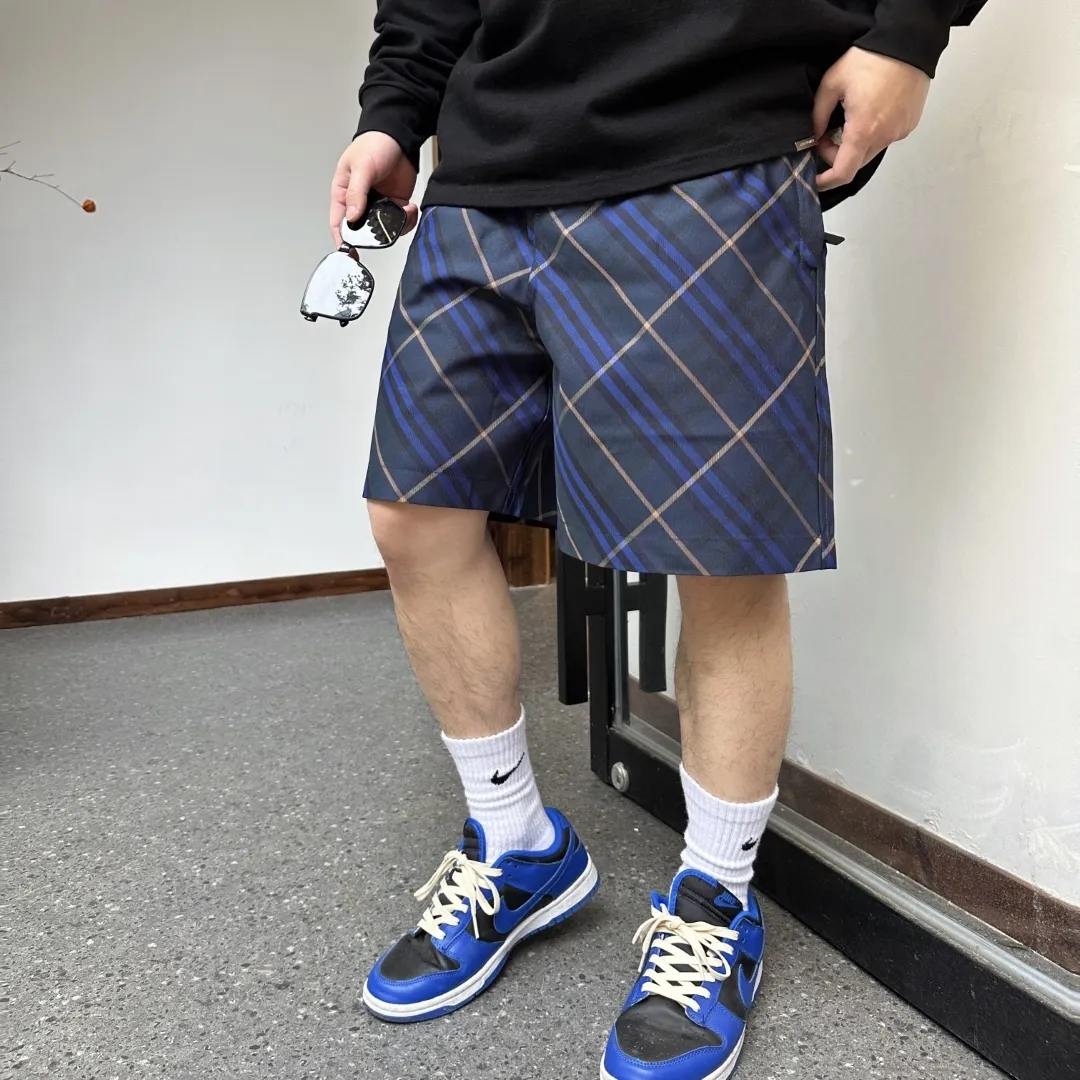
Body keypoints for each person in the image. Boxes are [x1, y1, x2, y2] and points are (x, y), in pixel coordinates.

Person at [330, 2, 963, 1075]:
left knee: (722, 554)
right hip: (482, 175)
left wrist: (909, 31)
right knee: (416, 513)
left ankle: (716, 900)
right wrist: (394, 109)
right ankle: (517, 843)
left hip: (708, 141)